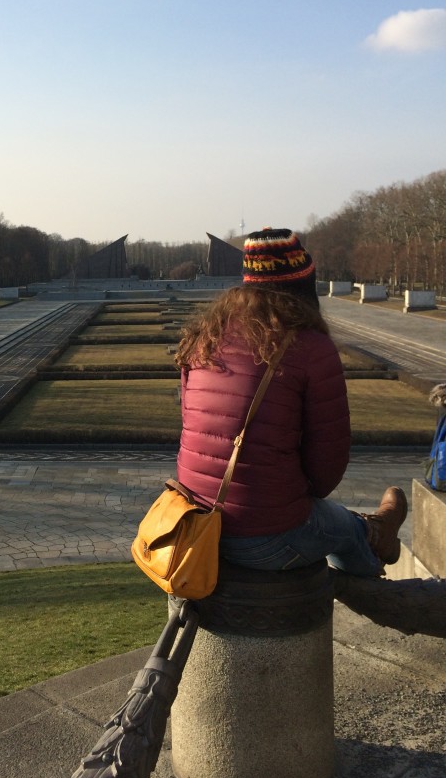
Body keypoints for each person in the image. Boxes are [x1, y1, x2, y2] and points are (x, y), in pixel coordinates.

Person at [174, 227, 406, 577]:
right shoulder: (310, 346)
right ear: (303, 287)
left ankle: (374, 533)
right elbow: (326, 467)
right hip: (263, 536)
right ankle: (376, 563)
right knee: (342, 528)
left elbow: (194, 425)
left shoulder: (206, 335)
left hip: (193, 521)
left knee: (330, 520)